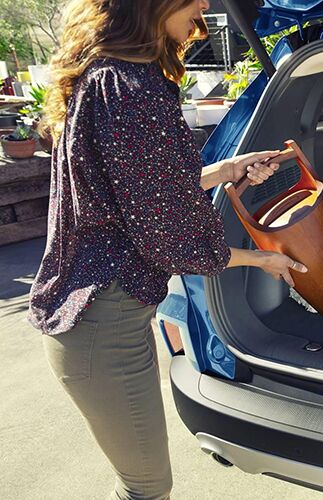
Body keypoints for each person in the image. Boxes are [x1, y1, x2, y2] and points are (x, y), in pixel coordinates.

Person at [27, 1, 307, 498]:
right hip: (102, 323)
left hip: (98, 318)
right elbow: (174, 239)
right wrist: (263, 259)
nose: (204, 4)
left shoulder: (104, 78)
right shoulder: (134, 90)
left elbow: (145, 195)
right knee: (146, 489)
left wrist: (225, 170)